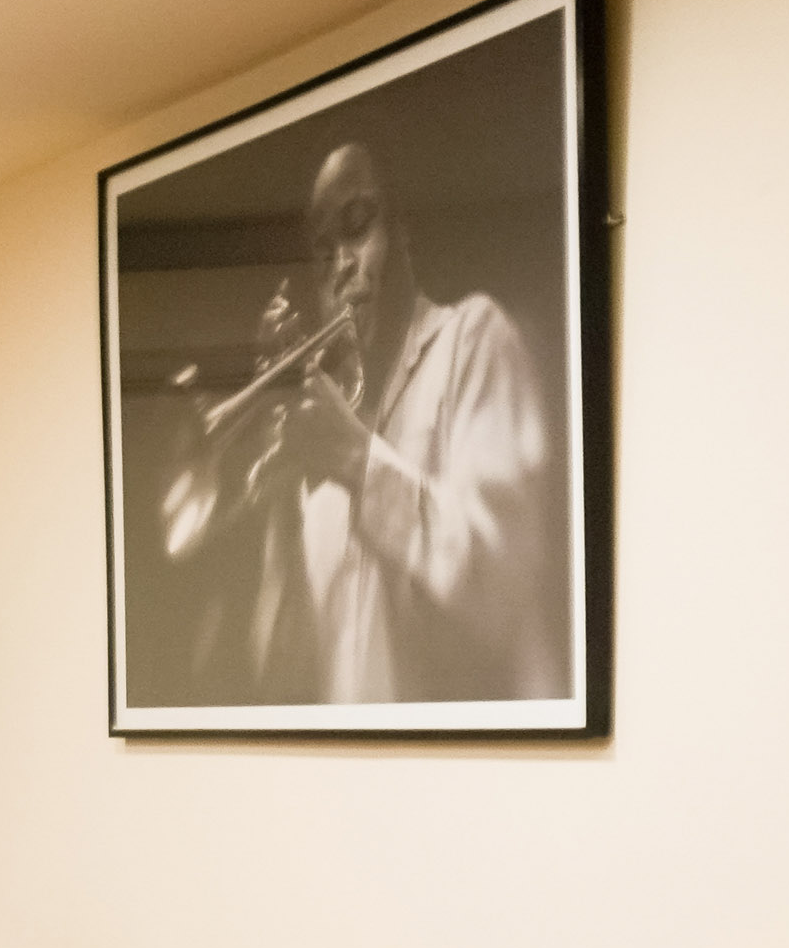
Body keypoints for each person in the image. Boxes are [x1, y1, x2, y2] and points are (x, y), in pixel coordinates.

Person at [165, 139, 569, 704]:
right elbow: (284, 677)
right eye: (323, 251)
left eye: (357, 227)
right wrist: (282, 510)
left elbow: (499, 584)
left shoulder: (473, 338)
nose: (342, 266)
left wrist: (357, 461)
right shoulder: (327, 430)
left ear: (404, 232)